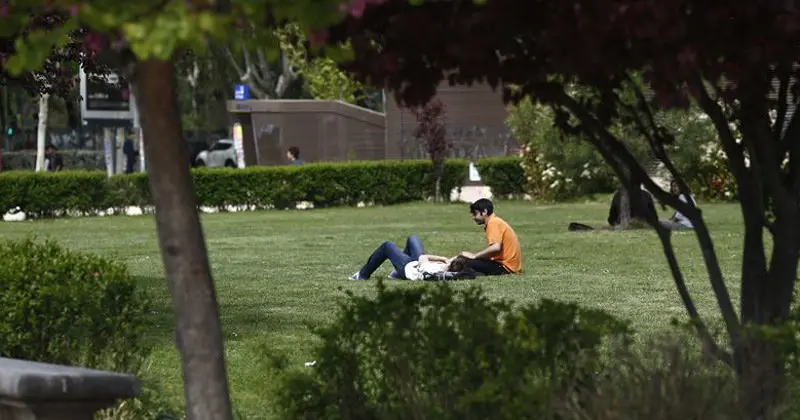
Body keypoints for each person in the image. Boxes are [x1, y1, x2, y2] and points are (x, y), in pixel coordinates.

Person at [349, 235, 473, 280]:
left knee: (387, 246)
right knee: (413, 238)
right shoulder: (449, 269)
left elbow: (423, 257)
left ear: (450, 264)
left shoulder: (434, 270)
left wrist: (441, 258)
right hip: (415, 264)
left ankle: (363, 275)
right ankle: (396, 274)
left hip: (407, 268)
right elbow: (456, 260)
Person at [455, 198, 523, 276]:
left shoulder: (493, 223)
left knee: (462, 262)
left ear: (484, 212)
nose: (473, 217)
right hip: (507, 265)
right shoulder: (496, 221)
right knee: (464, 258)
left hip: (504, 267)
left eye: (475, 214)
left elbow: (496, 247)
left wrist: (474, 256)